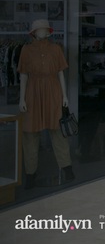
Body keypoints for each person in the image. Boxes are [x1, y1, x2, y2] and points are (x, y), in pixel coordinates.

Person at [18, 19, 74, 189]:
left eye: (44, 29)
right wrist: (21, 99)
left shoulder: (56, 49)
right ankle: (30, 173)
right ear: (34, 32)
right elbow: (24, 76)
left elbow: (60, 74)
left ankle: (67, 168)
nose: (42, 32)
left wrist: (65, 96)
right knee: (30, 133)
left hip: (52, 90)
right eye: (39, 29)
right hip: (33, 92)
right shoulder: (26, 50)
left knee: (58, 131)